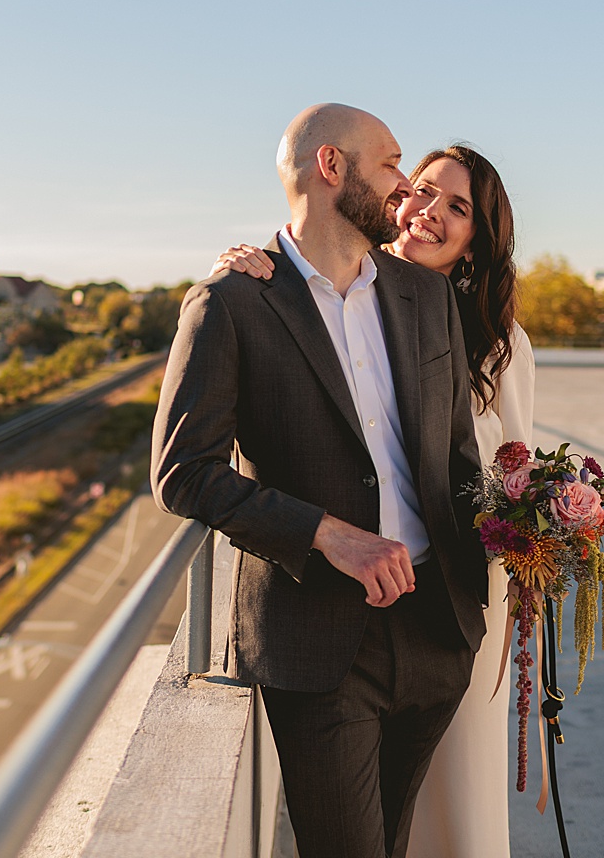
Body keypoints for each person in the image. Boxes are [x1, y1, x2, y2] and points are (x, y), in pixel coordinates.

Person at [152, 104, 489, 858]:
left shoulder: (427, 297)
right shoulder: (231, 302)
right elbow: (182, 474)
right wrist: (328, 535)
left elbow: (458, 457)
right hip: (319, 643)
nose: (405, 188)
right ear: (330, 168)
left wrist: (520, 545)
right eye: (392, 165)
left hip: (437, 628)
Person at [212, 143, 533, 858]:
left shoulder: (494, 339)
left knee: (448, 809)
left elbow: (510, 469)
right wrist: (244, 269)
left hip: (444, 612)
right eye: (421, 189)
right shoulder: (309, 285)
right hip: (326, 620)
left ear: (480, 237)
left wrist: (541, 537)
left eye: (458, 208)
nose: (429, 212)